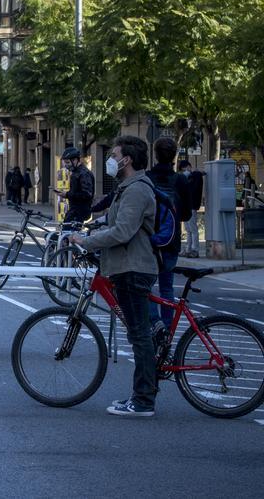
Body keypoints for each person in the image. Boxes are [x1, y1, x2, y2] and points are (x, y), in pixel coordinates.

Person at [70, 135, 158, 417]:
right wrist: (88, 226)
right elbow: (114, 220)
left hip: (133, 267)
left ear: (126, 159)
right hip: (125, 265)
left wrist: (87, 242)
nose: (110, 159)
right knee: (139, 332)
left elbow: (123, 231)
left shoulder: (137, 189)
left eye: (114, 154)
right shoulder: (127, 187)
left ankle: (143, 400)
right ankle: (143, 393)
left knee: (139, 335)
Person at [146, 137, 189, 333]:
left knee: (145, 286)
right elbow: (187, 214)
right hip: (171, 241)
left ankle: (155, 323)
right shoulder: (180, 180)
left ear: (154, 155)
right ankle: (168, 333)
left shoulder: (147, 178)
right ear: (174, 156)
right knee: (167, 287)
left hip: (148, 241)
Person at [55, 147, 95, 224]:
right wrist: (66, 194)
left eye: (67, 162)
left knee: (68, 234)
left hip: (79, 213)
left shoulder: (84, 173)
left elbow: (87, 194)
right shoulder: (76, 172)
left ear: (75, 160)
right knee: (66, 233)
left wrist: (67, 194)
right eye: (65, 163)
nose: (66, 165)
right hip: (74, 211)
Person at [178, 160, 204, 257]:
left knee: (192, 229)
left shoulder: (195, 176)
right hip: (187, 205)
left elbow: (196, 176)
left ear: (188, 166)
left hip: (192, 205)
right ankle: (188, 249)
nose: (184, 171)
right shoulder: (192, 176)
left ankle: (194, 249)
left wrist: (193, 173)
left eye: (184, 169)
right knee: (188, 229)